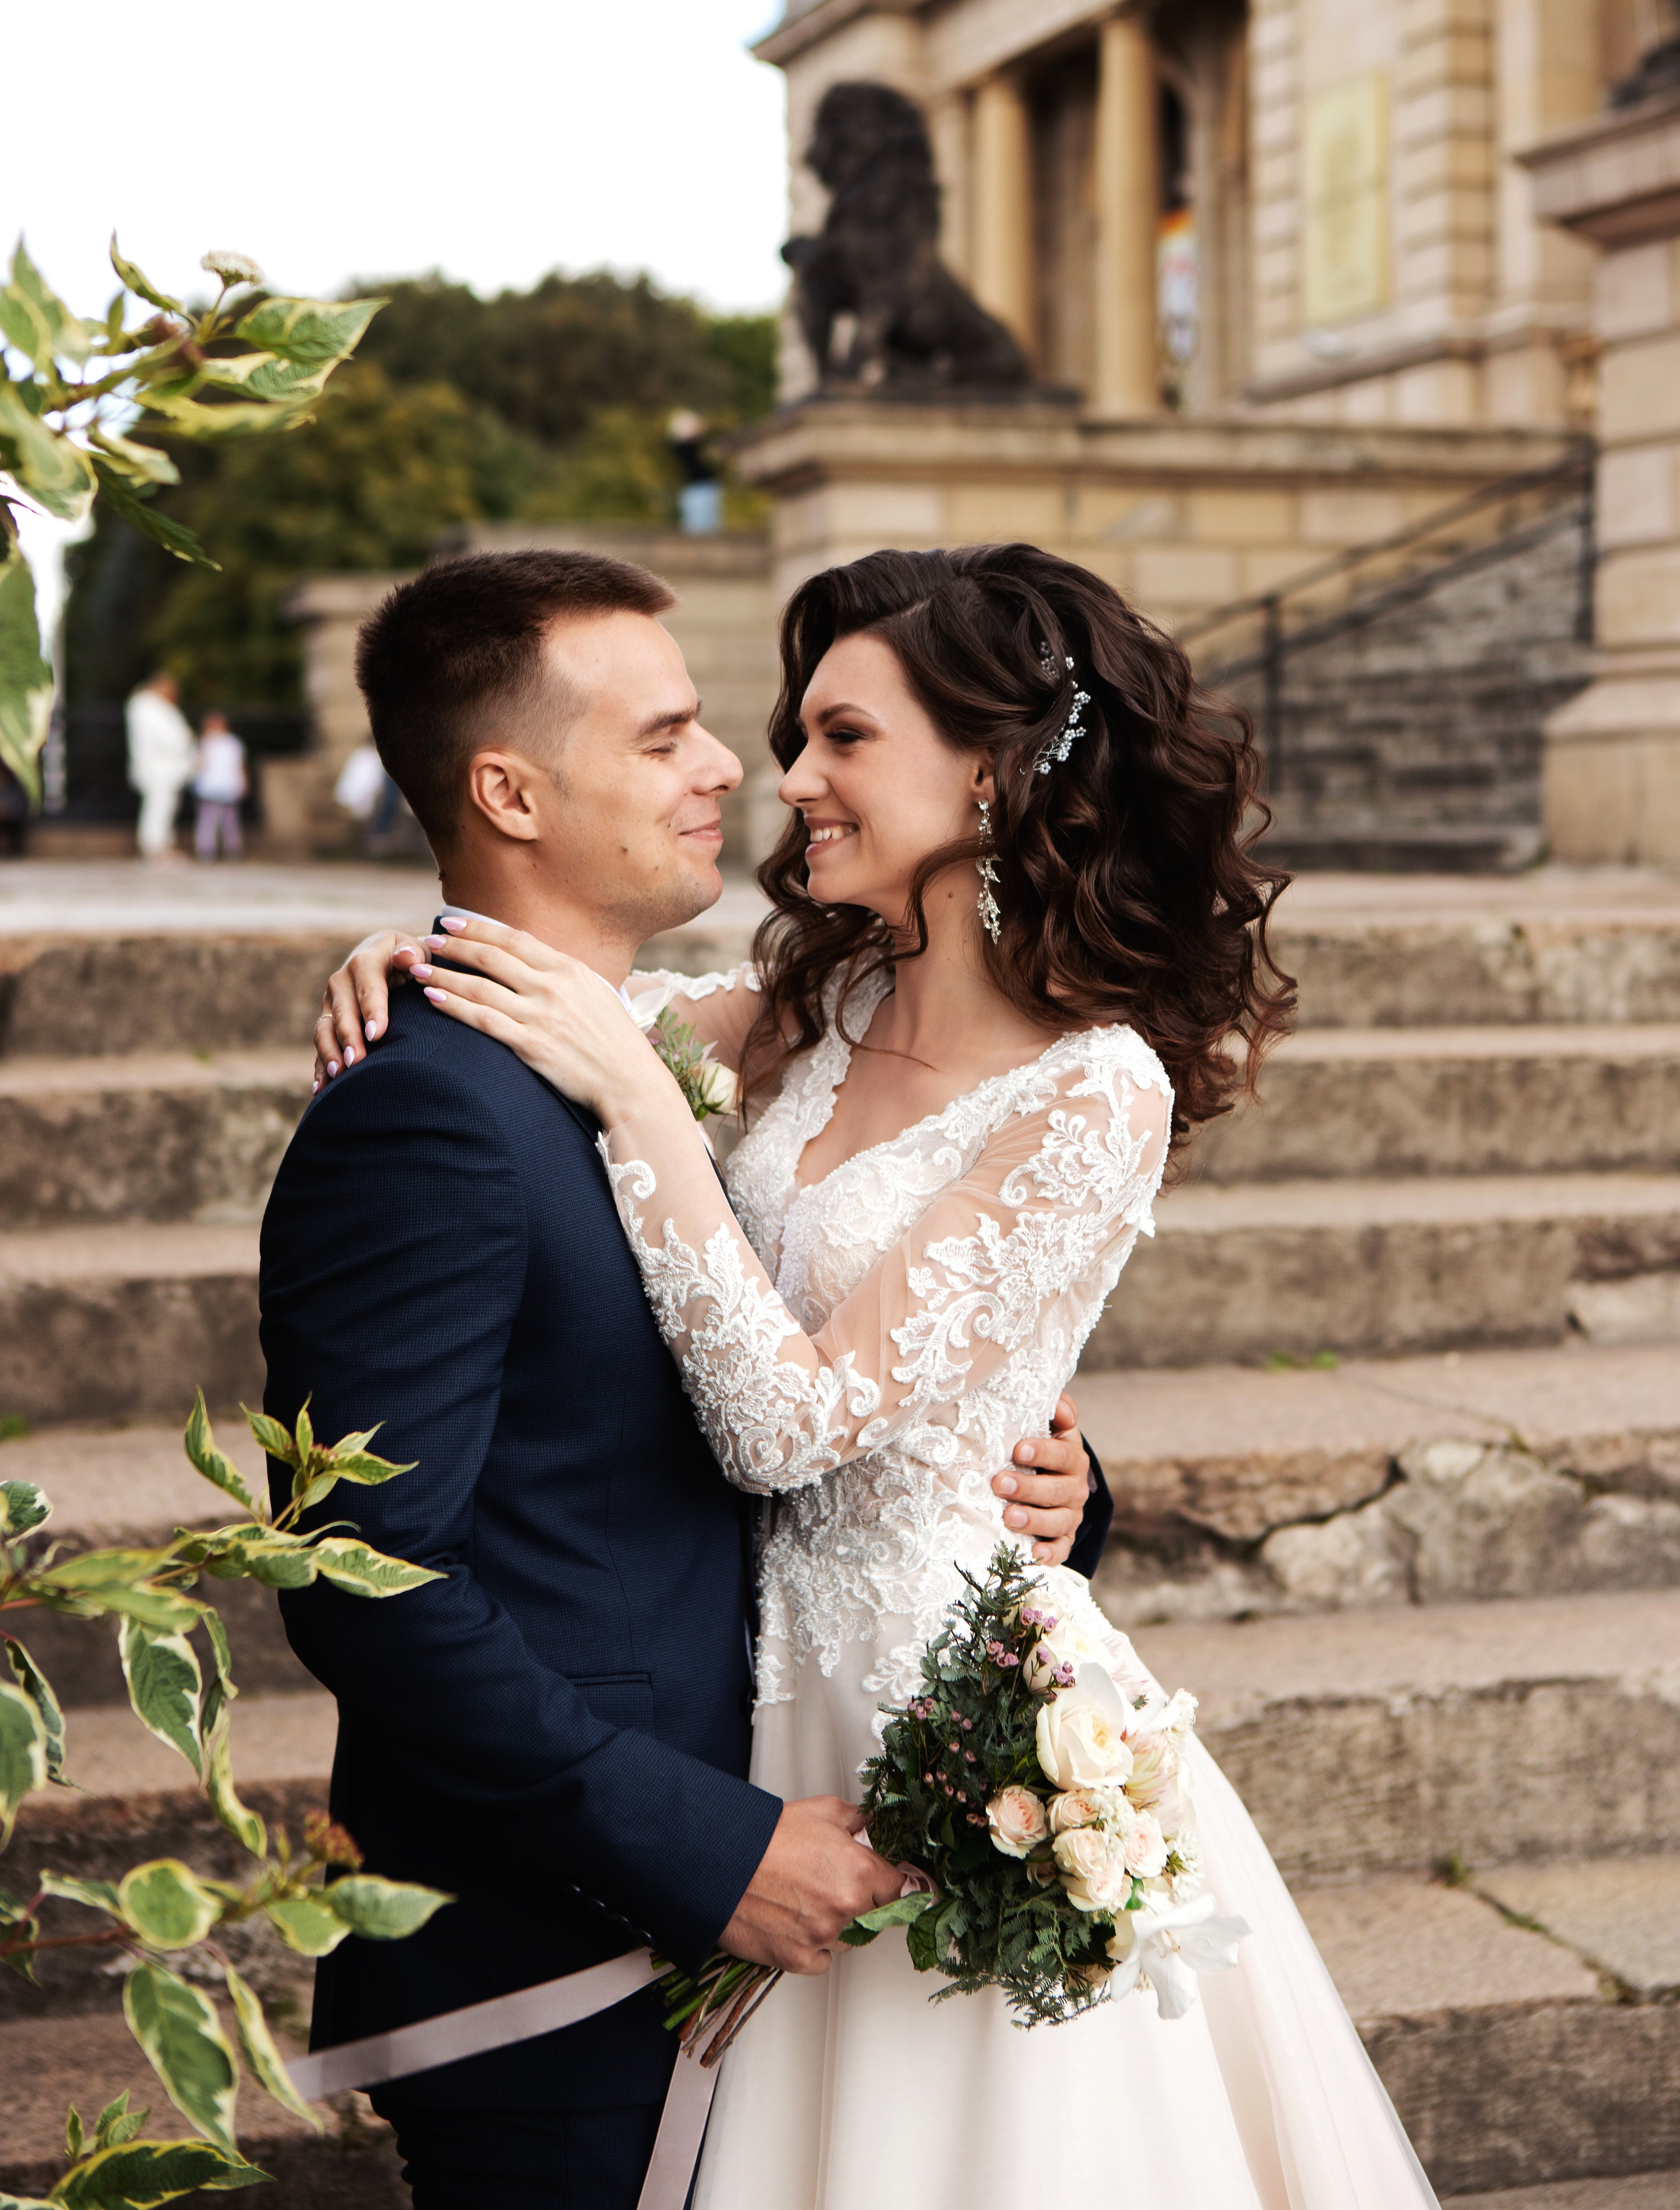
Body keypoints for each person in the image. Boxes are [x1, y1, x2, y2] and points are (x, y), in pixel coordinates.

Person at [322, 542, 1440, 2207]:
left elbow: (793, 1418)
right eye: (792, 733)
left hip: (924, 1704)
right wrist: (398, 965)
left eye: (841, 737)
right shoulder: (810, 1000)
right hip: (742, 1711)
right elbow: (554, 1006)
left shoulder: (1089, 1089)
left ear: (987, 770)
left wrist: (642, 1108)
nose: (786, 779)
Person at [265, 548, 1107, 2210]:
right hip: (576, 1949)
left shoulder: (726, 1036)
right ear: (508, 787)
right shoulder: (426, 1108)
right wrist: (705, 1854)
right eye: (666, 736)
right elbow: (359, 1579)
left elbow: (807, 1341)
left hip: (805, 1840)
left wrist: (1051, 1481)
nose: (736, 770)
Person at [124, 670, 196, 863]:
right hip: (158, 768)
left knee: (164, 807)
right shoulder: (147, 706)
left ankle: (162, 846)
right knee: (158, 807)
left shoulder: (152, 707)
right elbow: (167, 738)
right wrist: (187, 744)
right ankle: (155, 848)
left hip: (164, 768)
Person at [192, 710, 247, 861]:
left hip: (228, 787)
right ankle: (206, 850)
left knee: (230, 820)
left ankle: (233, 850)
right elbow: (197, 765)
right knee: (207, 820)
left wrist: (242, 782)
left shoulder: (232, 743)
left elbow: (239, 765)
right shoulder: (203, 743)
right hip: (208, 788)